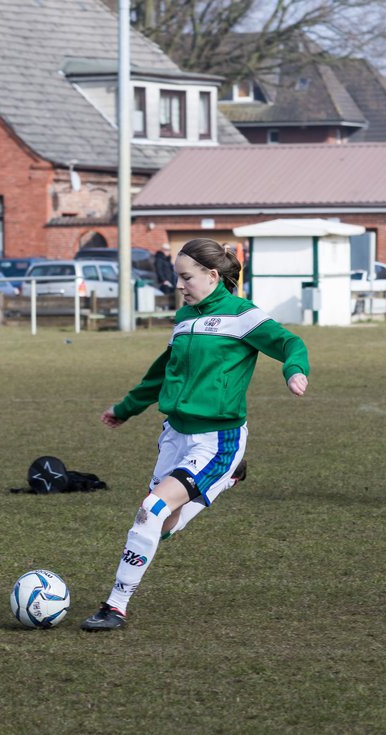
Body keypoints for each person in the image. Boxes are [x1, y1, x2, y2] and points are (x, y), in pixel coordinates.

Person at [81, 237, 310, 631]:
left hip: (216, 440)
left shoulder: (243, 316)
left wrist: (294, 369)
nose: (180, 286)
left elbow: (290, 342)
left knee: (150, 510)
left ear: (211, 275)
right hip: (175, 436)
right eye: (178, 278)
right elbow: (160, 373)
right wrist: (125, 409)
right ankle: (223, 483)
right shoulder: (184, 320)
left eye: (186, 277)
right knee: (159, 525)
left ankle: (115, 606)